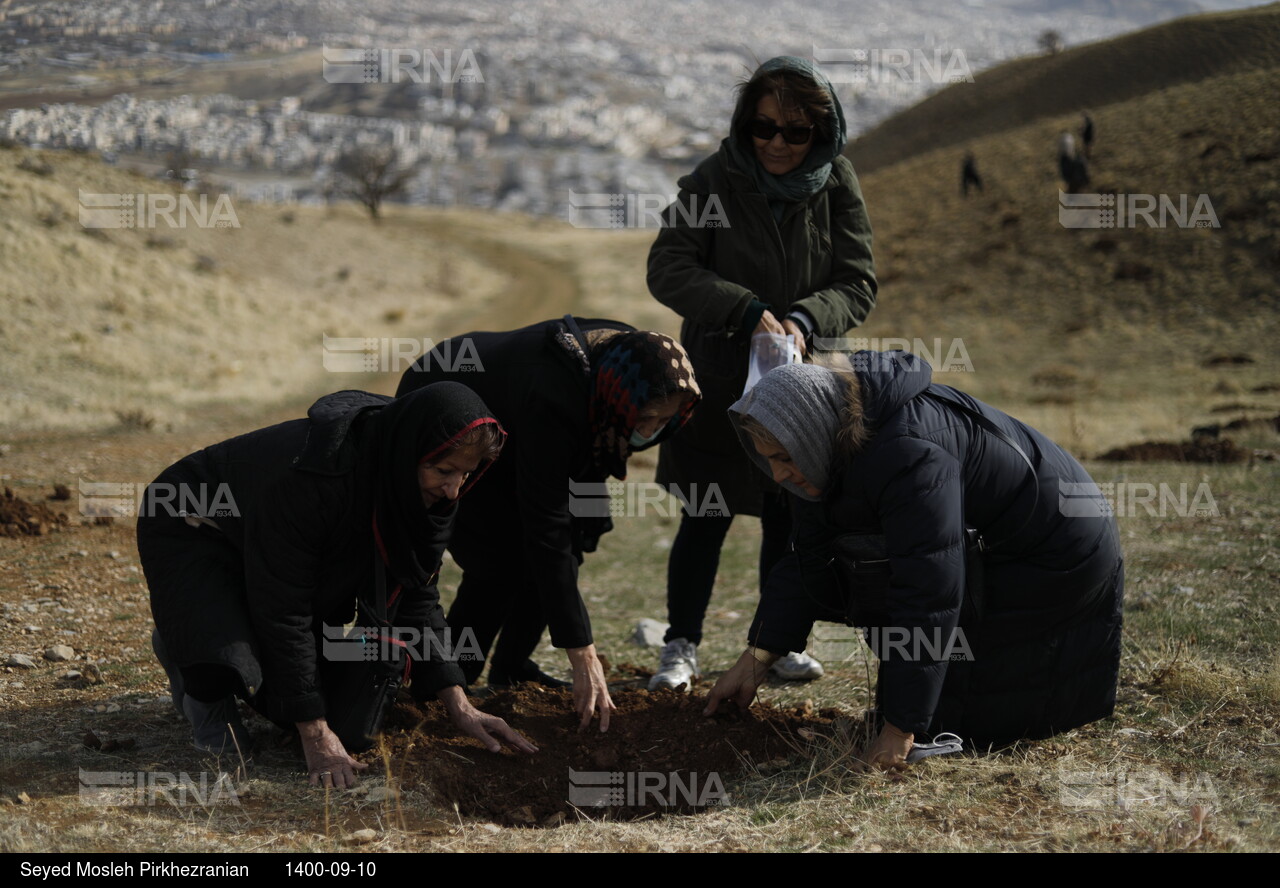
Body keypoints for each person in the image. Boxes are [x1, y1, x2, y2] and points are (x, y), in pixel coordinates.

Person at [705, 351, 1124, 770]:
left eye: (782, 457)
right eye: (769, 460)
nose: (777, 474)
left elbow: (928, 592)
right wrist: (755, 661)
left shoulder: (908, 452)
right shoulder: (829, 450)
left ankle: (942, 728)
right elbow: (807, 560)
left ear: (810, 435)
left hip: (1057, 550)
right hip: (998, 545)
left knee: (967, 719)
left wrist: (900, 730)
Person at [138, 384, 537, 789]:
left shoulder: (425, 492)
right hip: (198, 522)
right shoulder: (313, 479)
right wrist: (314, 733)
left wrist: (459, 703)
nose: (454, 489)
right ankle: (200, 670)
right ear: (407, 453)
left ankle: (217, 652)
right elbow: (284, 608)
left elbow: (418, 594)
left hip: (282, 541)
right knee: (231, 649)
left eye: (466, 474)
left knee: (345, 723)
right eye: (443, 471)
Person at [646, 56, 877, 690]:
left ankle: (774, 648)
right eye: (762, 127)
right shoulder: (712, 183)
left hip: (801, 387)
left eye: (795, 132)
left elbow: (858, 281)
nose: (776, 143)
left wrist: (805, 318)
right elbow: (668, 268)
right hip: (719, 384)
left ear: (821, 134)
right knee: (705, 516)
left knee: (790, 516)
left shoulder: (836, 185)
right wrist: (743, 310)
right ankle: (681, 645)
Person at [396, 317, 700, 731]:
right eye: (645, 417)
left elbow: (567, 522)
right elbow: (546, 523)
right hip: (459, 410)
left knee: (579, 533)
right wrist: (582, 651)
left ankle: (513, 665)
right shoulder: (555, 395)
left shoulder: (640, 366)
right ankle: (448, 682)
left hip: (544, 424)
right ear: (621, 398)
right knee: (499, 560)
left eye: (662, 421)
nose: (649, 430)